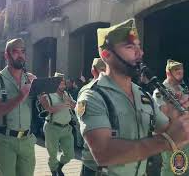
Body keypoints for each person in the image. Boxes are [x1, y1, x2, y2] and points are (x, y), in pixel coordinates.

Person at [76, 18, 189, 176]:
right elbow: (104, 153)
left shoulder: (143, 95)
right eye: (130, 47)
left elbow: (166, 129)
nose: (140, 53)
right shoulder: (93, 96)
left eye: (139, 47)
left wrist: (175, 118)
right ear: (106, 54)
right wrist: (166, 141)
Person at [0, 38, 37, 176]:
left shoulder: (30, 79)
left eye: (23, 51)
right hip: (4, 141)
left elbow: (42, 107)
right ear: (6, 55)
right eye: (15, 51)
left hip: (27, 141)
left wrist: (42, 91)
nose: (20, 55)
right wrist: (20, 96)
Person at [152, 59, 189, 176]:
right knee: (171, 169)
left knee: (185, 169)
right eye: (176, 70)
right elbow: (163, 115)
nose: (180, 72)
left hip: (186, 137)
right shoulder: (160, 91)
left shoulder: (184, 89)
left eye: (181, 69)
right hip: (171, 137)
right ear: (168, 72)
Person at [39, 72, 76, 176]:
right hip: (52, 127)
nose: (63, 84)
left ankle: (59, 166)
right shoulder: (47, 95)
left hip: (66, 128)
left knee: (70, 154)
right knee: (53, 154)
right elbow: (49, 109)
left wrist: (71, 103)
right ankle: (54, 171)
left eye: (63, 82)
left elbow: (75, 106)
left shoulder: (67, 94)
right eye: (60, 82)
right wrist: (64, 104)